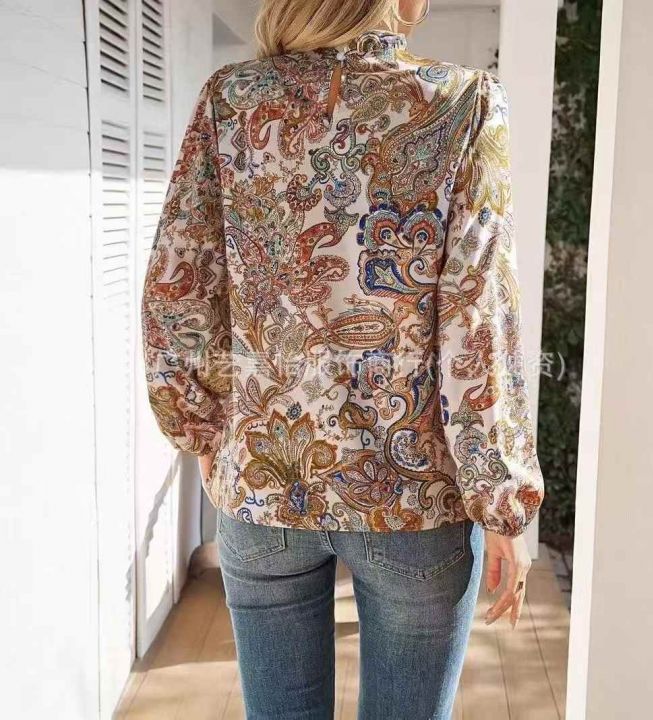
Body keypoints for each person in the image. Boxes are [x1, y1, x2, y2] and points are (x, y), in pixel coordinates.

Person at [141, 0, 545, 717]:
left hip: (263, 486)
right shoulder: (463, 103)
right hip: (416, 501)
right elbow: (478, 319)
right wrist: (502, 500)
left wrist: (201, 431)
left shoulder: (230, 100)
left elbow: (181, 287)